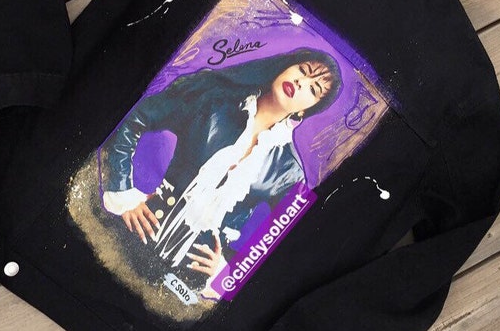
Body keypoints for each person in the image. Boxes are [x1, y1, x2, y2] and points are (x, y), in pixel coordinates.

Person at [98, 48, 343, 295]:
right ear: (286, 66)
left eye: (313, 89)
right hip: (132, 235)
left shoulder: (290, 171)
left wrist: (227, 273)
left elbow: (285, 246)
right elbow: (139, 116)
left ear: (306, 110)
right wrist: (122, 191)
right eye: (303, 70)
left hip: (187, 284)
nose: (301, 82)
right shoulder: (214, 98)